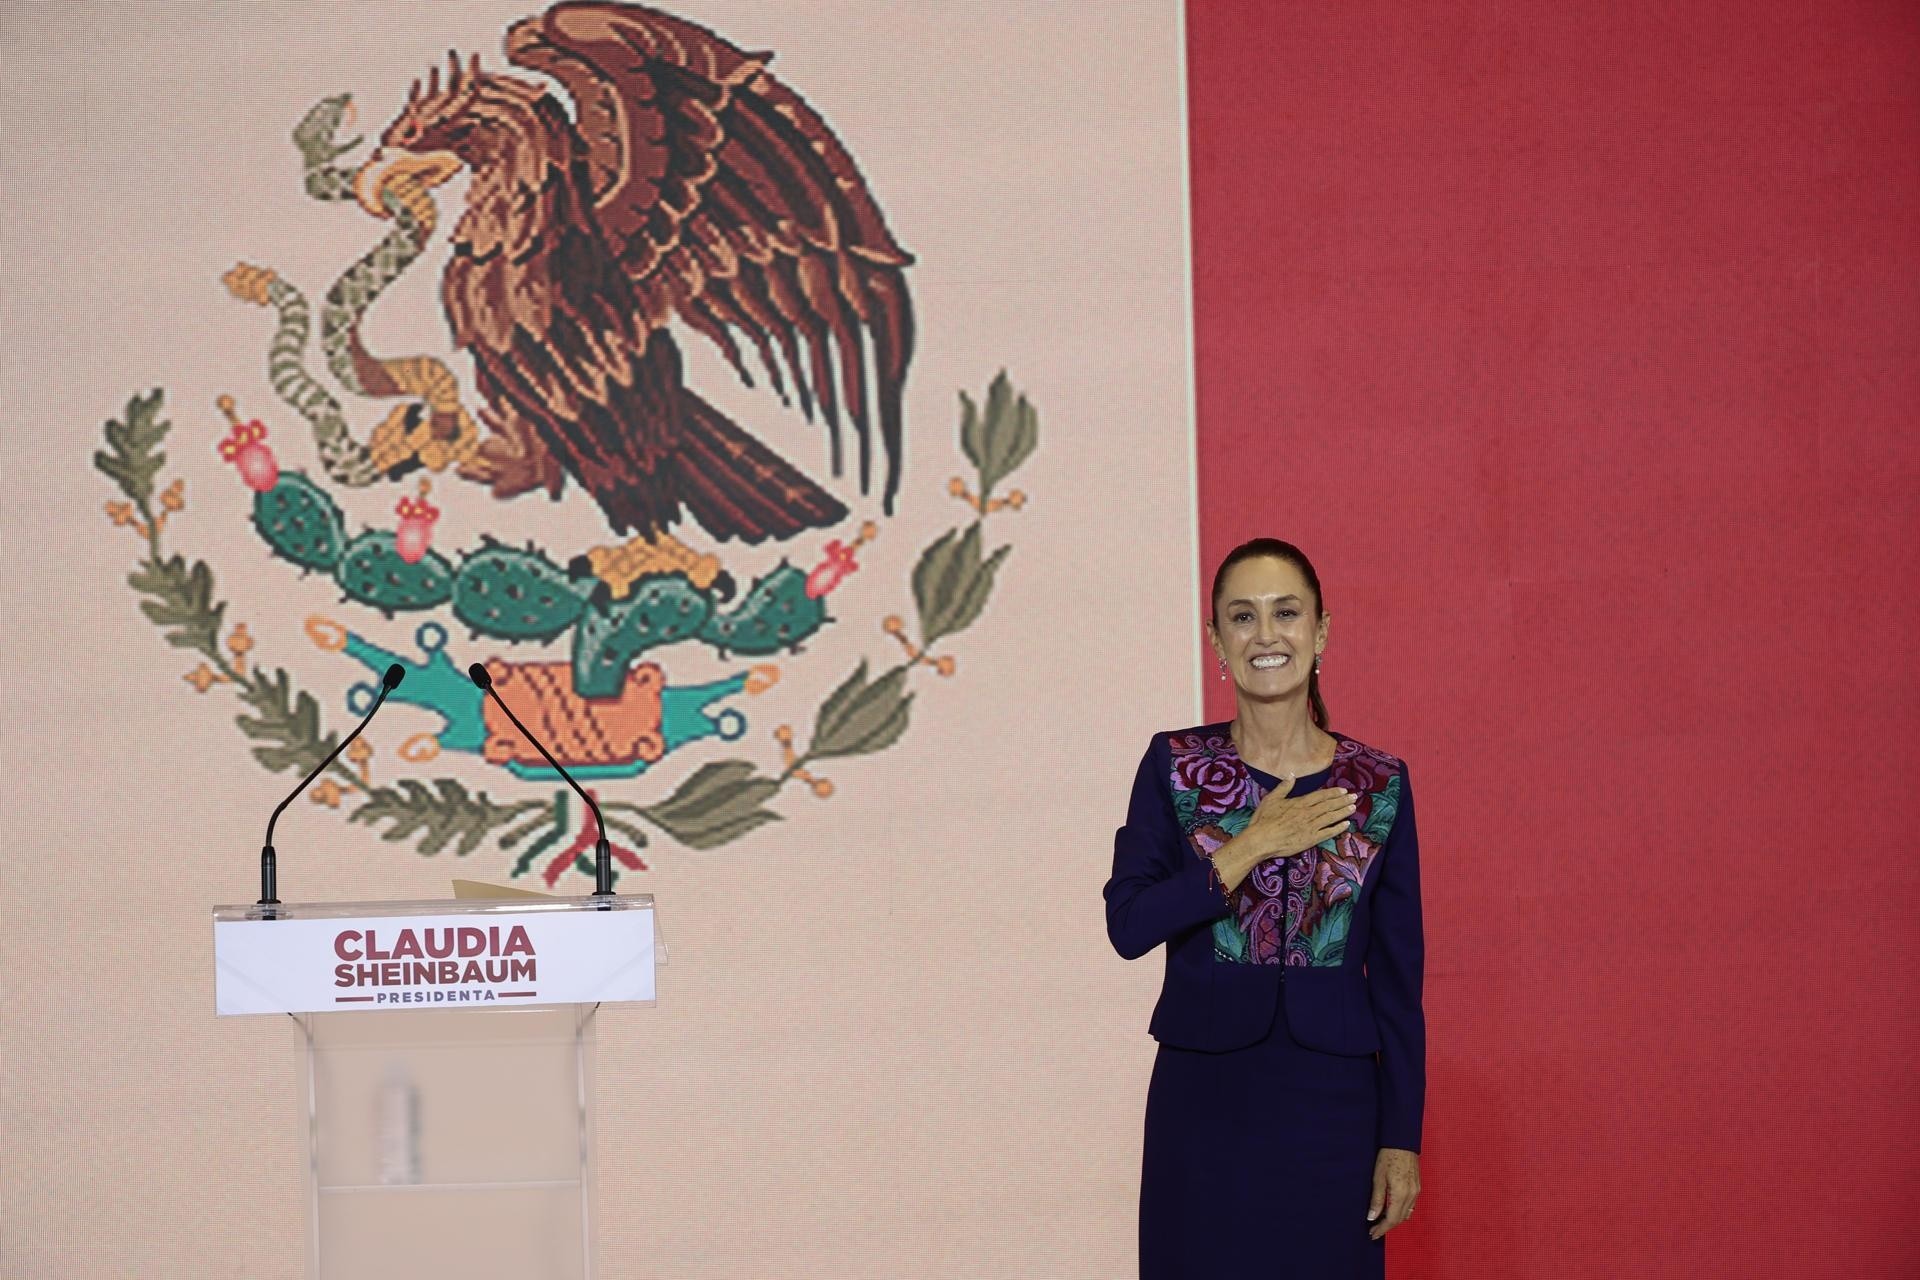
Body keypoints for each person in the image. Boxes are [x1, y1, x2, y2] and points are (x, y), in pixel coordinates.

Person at [1103, 537, 1425, 1278]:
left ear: (1321, 631)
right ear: (1217, 641)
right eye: (1242, 617)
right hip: (1203, 1103)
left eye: (1287, 613)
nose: (1266, 635)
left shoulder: (1379, 785)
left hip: (1335, 1112)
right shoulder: (1175, 766)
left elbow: (1402, 985)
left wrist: (1400, 1138)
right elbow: (1129, 925)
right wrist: (1248, 846)